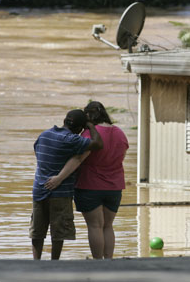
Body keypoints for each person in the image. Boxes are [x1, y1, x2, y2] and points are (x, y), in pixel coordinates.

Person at [46, 101, 129, 259]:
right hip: (114, 187)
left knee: (95, 226)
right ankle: (109, 261)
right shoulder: (120, 133)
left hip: (90, 186)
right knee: (108, 226)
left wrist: (59, 178)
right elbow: (121, 158)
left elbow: (78, 159)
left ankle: (98, 263)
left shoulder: (89, 134)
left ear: (89, 116)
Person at [30, 109, 103, 260]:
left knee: (38, 230)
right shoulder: (71, 140)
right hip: (60, 192)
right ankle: (54, 262)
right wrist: (90, 126)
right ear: (78, 129)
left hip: (39, 188)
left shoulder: (45, 134)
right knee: (59, 231)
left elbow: (37, 151)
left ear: (64, 120)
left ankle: (35, 262)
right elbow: (98, 144)